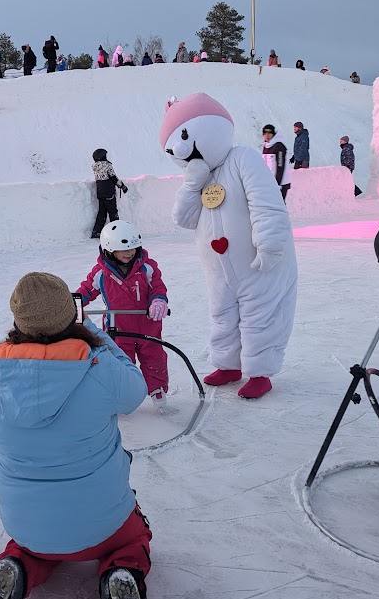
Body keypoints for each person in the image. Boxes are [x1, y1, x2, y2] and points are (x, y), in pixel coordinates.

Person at [0, 272, 151, 599]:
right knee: (134, 538)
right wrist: (96, 335)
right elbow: (136, 391)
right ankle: (121, 569)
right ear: (71, 313)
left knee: (32, 546)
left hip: (26, 523)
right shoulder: (97, 367)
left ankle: (16, 567)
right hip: (103, 524)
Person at [161, 93, 297, 400]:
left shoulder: (243, 159)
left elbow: (265, 202)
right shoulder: (201, 178)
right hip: (219, 269)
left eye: (185, 136)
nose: (180, 149)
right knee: (222, 315)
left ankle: (260, 373)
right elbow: (184, 219)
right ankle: (228, 365)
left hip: (255, 261)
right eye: (172, 147)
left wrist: (270, 243)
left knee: (260, 316)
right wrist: (192, 184)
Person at [78, 221, 169, 404]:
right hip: (117, 328)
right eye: (123, 249)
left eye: (133, 248)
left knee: (154, 358)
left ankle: (157, 390)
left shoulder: (147, 267)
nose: (129, 253)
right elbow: (86, 290)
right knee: (119, 362)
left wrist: (159, 300)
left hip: (147, 324)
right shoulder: (101, 273)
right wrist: (72, 304)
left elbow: (157, 287)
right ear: (109, 250)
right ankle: (122, 394)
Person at [90, 148, 128, 238]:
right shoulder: (107, 165)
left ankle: (96, 231)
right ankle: (116, 231)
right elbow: (113, 177)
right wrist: (122, 186)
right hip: (109, 192)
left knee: (102, 212)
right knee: (113, 212)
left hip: (100, 192)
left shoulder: (95, 166)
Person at [262, 124, 292, 202]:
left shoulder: (279, 146)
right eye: (265, 133)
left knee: (278, 204)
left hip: (281, 183)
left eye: (269, 133)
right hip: (270, 182)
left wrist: (277, 183)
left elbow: (280, 166)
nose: (267, 135)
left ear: (273, 134)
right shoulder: (266, 146)